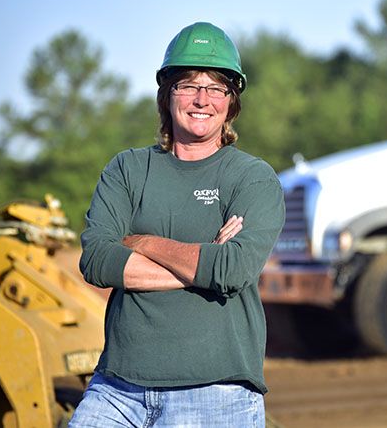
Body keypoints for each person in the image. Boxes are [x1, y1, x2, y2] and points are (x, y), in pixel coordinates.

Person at [69, 22, 285, 427]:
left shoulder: (252, 178)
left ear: (231, 101)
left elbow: (232, 269)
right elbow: (97, 261)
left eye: (216, 88)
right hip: (117, 388)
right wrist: (203, 261)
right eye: (188, 85)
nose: (201, 99)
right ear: (167, 95)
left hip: (214, 394)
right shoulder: (128, 169)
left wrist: (141, 241)